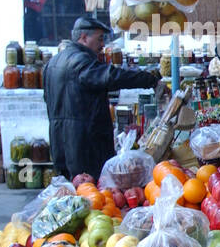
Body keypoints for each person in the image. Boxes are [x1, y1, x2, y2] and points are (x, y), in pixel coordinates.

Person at [43, 16, 161, 181]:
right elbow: (112, 76)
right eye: (99, 39)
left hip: (60, 141)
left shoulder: (52, 63)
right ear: (84, 38)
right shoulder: (81, 61)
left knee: (71, 191)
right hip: (84, 145)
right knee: (90, 191)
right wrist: (149, 79)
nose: (102, 45)